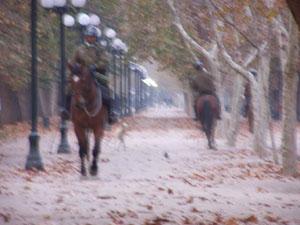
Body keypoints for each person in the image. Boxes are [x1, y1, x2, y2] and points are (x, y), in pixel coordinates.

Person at [64, 25, 118, 124]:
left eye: (92, 37)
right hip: (82, 74)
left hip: (96, 74)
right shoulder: (79, 49)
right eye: (88, 36)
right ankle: (66, 111)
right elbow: (72, 62)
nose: (90, 39)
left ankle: (111, 113)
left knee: (107, 91)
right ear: (85, 37)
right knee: (69, 89)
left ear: (95, 38)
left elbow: (105, 61)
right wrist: (72, 72)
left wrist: (96, 66)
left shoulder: (100, 49)